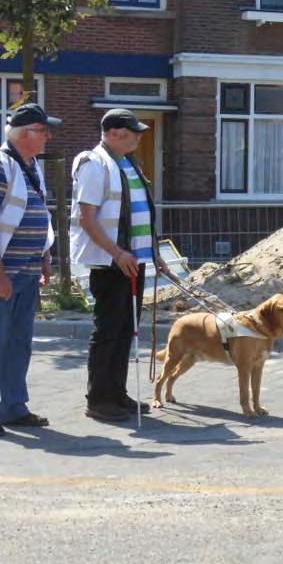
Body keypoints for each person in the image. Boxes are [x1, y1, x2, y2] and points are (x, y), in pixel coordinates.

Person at [70, 108, 171, 422]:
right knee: (109, 331)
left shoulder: (127, 163)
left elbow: (141, 215)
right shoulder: (95, 164)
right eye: (133, 132)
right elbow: (87, 217)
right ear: (113, 133)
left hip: (133, 261)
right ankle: (99, 398)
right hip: (111, 262)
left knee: (126, 329)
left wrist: (152, 254)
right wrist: (116, 252)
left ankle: (116, 393)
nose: (140, 137)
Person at [0, 104, 61, 434]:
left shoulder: (31, 165)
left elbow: (39, 212)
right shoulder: (1, 165)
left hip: (26, 270)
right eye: (43, 130)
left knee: (19, 343)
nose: (48, 136)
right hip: (6, 272)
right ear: (24, 134)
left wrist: (44, 254)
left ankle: (13, 407)